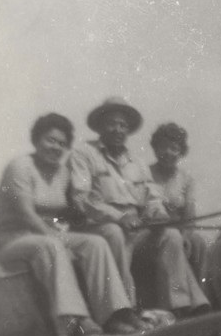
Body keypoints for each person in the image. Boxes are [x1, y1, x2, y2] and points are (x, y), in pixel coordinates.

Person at [0, 113, 146, 336]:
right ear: (36, 140)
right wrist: (55, 237)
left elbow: (74, 209)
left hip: (48, 237)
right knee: (51, 245)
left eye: (62, 144)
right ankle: (74, 322)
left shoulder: (62, 173)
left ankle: (114, 315)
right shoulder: (20, 167)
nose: (56, 147)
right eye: (50, 140)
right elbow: (26, 213)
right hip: (15, 240)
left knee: (95, 243)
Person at [69, 97, 210, 317]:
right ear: (100, 126)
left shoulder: (137, 162)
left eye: (123, 125)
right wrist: (118, 217)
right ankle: (125, 310)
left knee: (171, 235)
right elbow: (81, 198)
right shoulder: (83, 153)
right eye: (112, 123)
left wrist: (159, 215)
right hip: (103, 225)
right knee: (116, 234)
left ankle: (180, 306)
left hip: (136, 227)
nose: (118, 129)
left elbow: (152, 196)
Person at [148, 122, 208, 284]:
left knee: (198, 242)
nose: (168, 153)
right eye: (163, 147)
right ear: (155, 149)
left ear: (181, 152)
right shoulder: (145, 173)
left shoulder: (187, 179)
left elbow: (190, 215)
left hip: (179, 231)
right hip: (151, 231)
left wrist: (186, 237)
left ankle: (202, 292)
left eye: (174, 148)